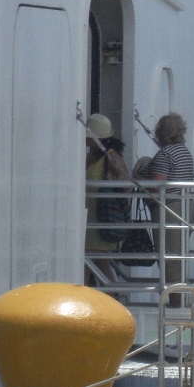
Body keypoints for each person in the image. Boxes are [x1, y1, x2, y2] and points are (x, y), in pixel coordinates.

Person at [150, 112, 194, 305]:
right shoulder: (183, 151)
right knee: (178, 257)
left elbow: (157, 185)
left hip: (171, 209)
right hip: (188, 206)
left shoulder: (165, 154)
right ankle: (181, 300)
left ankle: (177, 305)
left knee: (170, 261)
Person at [84, 114, 128, 286]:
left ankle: (84, 295)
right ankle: (114, 295)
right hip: (90, 216)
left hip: (102, 216)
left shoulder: (111, 157)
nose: (86, 139)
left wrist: (114, 183)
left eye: (88, 136)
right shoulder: (93, 155)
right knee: (99, 261)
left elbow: (125, 183)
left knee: (87, 259)